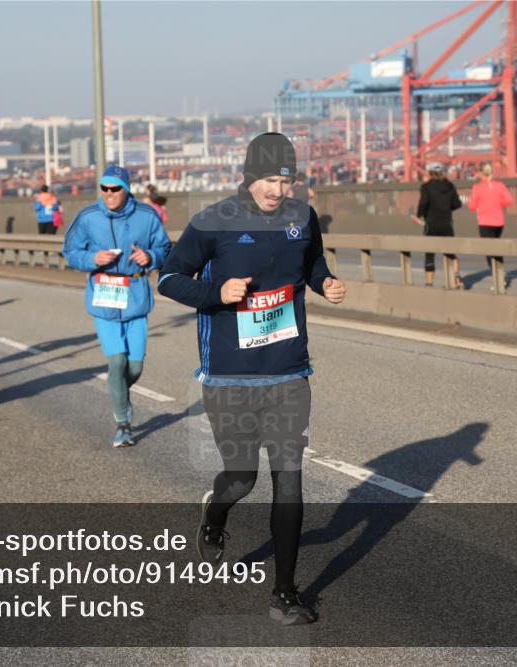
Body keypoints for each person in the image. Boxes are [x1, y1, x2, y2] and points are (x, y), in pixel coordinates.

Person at [158, 132, 346, 626]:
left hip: (288, 370)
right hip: (230, 376)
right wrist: (217, 293)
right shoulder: (212, 221)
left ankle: (285, 593)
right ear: (248, 177)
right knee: (242, 478)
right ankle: (215, 515)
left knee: (289, 481)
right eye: (268, 180)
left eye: (285, 181)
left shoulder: (301, 217)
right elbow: (169, 277)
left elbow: (312, 262)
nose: (277, 190)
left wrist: (323, 281)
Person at [63, 165, 170, 447]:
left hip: (135, 297)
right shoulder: (88, 217)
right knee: (117, 361)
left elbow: (165, 248)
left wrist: (151, 256)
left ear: (126, 188)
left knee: (134, 369)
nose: (109, 194)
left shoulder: (147, 216)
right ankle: (123, 425)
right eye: (105, 188)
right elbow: (70, 252)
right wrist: (91, 259)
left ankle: (119, 392)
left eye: (115, 188)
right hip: (103, 296)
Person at [412, 162, 463, 288]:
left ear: (430, 173)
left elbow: (423, 203)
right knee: (451, 252)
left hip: (431, 223)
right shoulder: (450, 186)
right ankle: (457, 276)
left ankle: (429, 283)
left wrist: (418, 216)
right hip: (446, 223)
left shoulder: (426, 187)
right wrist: (446, 207)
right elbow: (457, 204)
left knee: (430, 253)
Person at [468, 163, 513, 290]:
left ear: (481, 173)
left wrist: (482, 205)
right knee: (496, 249)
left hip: (485, 222)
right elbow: (509, 200)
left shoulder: (477, 187)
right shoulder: (500, 185)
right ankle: (501, 273)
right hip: (499, 222)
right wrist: (498, 205)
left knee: (489, 251)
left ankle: (498, 277)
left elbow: (471, 206)